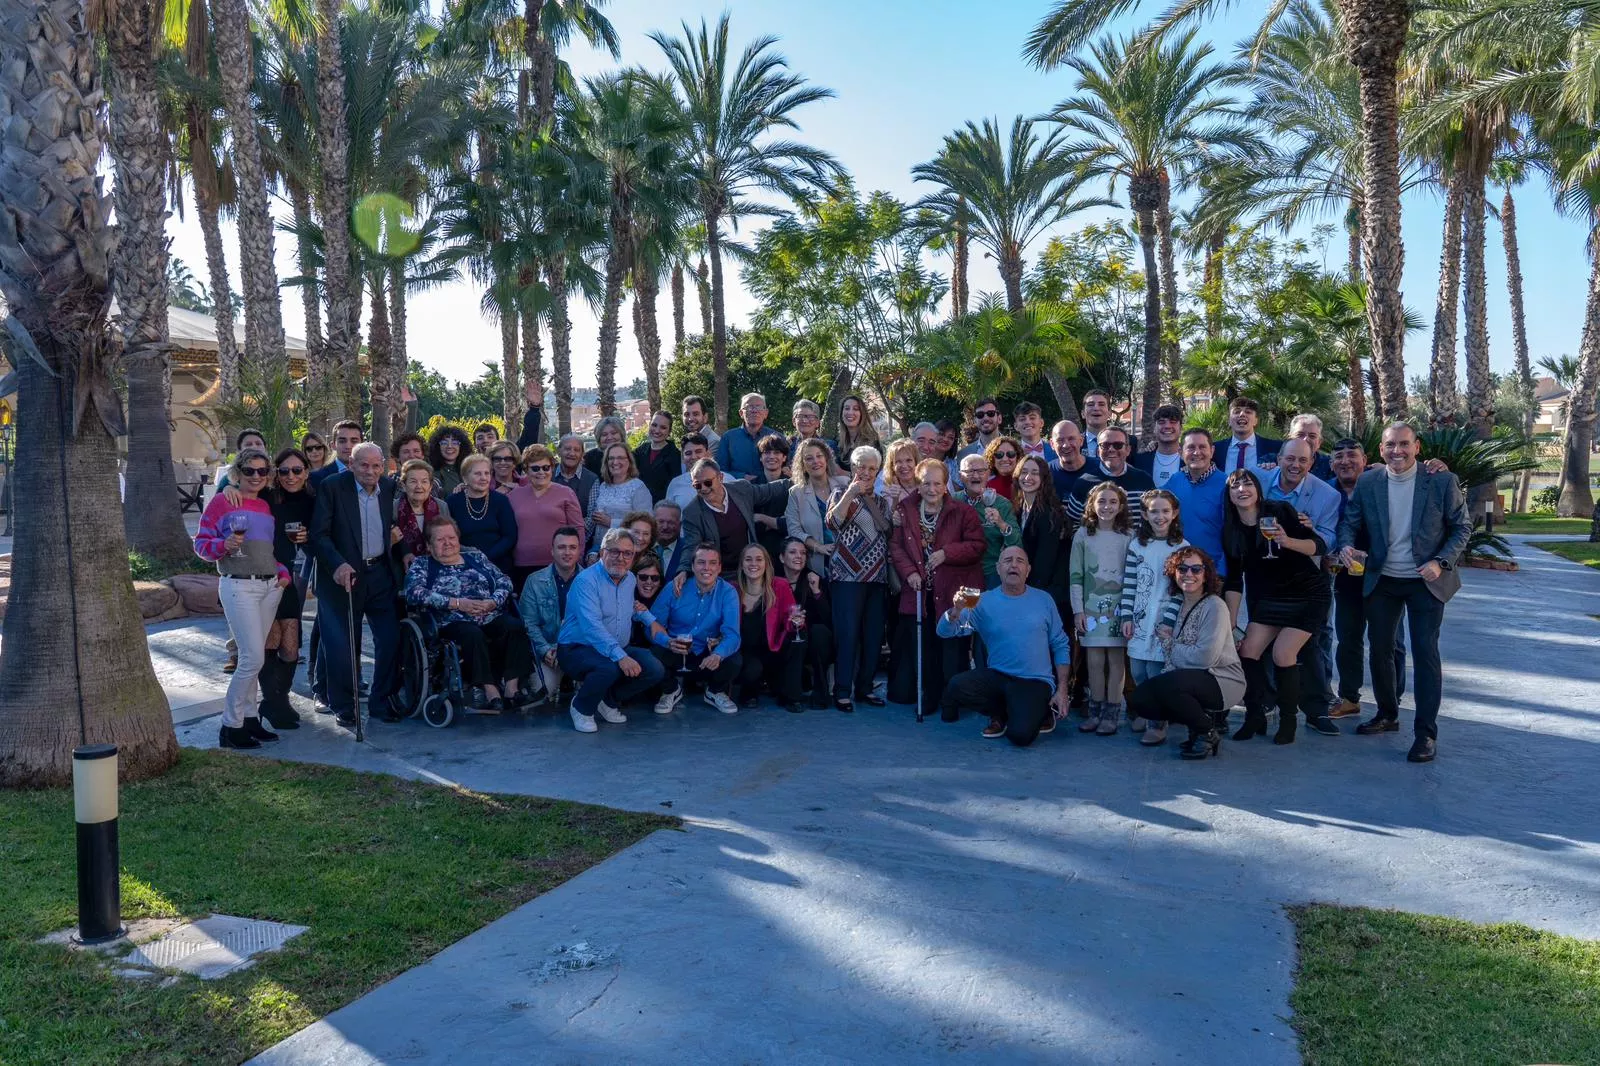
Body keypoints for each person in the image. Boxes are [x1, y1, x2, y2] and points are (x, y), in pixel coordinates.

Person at [1334, 421, 1471, 763]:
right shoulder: (1369, 481)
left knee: (1425, 654)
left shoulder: (1440, 480)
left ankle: (1425, 734)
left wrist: (1441, 561)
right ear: (1380, 450)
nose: (1397, 451)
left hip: (1426, 581)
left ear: (1417, 446)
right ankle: (1387, 715)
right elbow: (1351, 520)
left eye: (1404, 444)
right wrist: (1347, 545)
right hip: (1383, 579)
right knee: (1380, 651)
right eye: (1390, 445)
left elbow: (1462, 526)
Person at [1221, 468, 1333, 745]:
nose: (1242, 489)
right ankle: (1255, 715)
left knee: (1284, 654)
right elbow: (1235, 581)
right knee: (1248, 650)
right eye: (1235, 486)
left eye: (1247, 483)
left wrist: (1286, 541)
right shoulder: (1231, 531)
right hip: (1269, 599)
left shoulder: (1280, 511)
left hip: (1307, 593)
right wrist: (1231, 624)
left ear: (1258, 489)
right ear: (1230, 496)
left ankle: (1288, 721)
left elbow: (1318, 546)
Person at [195, 448, 292, 748]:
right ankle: (230, 725)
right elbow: (201, 544)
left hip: (268, 587)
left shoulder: (264, 506)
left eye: (263, 471)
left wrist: (281, 572)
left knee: (255, 657)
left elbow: (265, 550)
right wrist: (223, 545)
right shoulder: (223, 501)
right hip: (238, 586)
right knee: (251, 658)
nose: (257, 476)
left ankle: (250, 719)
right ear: (238, 473)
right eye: (250, 471)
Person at [309, 442, 403, 728]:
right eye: (364, 465)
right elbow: (319, 535)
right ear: (351, 464)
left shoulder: (388, 489)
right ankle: (344, 705)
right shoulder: (333, 487)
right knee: (342, 645)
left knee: (389, 639)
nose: (370, 471)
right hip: (342, 575)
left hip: (379, 573)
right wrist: (337, 564)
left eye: (376, 466)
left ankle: (380, 700)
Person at [937, 547, 1072, 745]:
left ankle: (1043, 712)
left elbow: (1061, 645)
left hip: (1034, 681)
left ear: (1028, 570)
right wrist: (955, 611)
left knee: (1021, 736)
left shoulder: (1044, 599)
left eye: (1020, 561)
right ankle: (999, 712)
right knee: (957, 685)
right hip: (998, 676)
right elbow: (944, 631)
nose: (1014, 565)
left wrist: (1062, 690)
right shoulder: (980, 600)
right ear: (998, 568)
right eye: (1008, 561)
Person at [888, 458, 986, 721]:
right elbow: (895, 546)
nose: (931, 489)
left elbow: (978, 546)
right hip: (920, 589)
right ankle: (930, 696)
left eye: (937, 484)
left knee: (956, 647)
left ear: (946, 486)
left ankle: (953, 700)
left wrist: (946, 553)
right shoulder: (906, 509)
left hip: (962, 588)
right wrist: (908, 573)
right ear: (918, 486)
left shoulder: (963, 511)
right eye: (926, 483)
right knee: (925, 647)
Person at [1126, 548, 1245, 760]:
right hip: (1192, 678)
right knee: (1141, 699)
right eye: (1182, 569)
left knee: (1169, 685)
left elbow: (1204, 658)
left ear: (1206, 574)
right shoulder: (1177, 606)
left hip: (1222, 680)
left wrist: (1170, 643)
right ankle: (1196, 726)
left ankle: (1206, 732)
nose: (1189, 574)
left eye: (1196, 569)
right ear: (1174, 573)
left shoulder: (1215, 606)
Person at [405, 517, 531, 712]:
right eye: (440, 540)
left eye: (451, 537)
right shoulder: (423, 565)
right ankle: (489, 689)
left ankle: (512, 687)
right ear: (429, 546)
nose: (447, 543)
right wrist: (456, 604)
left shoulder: (476, 557)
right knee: (472, 634)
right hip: (452, 620)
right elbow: (414, 592)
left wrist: (493, 601)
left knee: (515, 627)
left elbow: (504, 581)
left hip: (488, 613)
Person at [1262, 437, 1345, 720]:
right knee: (1258, 643)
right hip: (1263, 576)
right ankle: (1265, 700)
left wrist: (1308, 532)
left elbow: (1329, 540)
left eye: (1302, 460)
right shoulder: (1258, 481)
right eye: (1290, 459)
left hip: (1304, 578)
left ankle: (1315, 707)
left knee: (1311, 645)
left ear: (1311, 462)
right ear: (1278, 459)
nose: (1295, 465)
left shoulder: (1327, 495)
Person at [556, 528, 667, 732]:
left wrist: (650, 620)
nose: (620, 558)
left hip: (613, 646)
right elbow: (592, 626)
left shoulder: (630, 579)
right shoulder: (586, 581)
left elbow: (627, 608)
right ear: (602, 553)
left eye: (627, 553)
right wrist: (620, 656)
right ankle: (581, 707)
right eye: (614, 551)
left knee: (654, 668)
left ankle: (608, 701)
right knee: (609, 667)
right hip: (576, 648)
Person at [1327, 436, 1405, 718]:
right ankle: (1349, 697)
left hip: (1386, 575)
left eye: (1352, 455)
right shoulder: (1326, 491)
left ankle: (1391, 701)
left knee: (1391, 641)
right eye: (1339, 457)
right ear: (1331, 463)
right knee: (1348, 638)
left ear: (1365, 459)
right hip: (1347, 577)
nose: (1345, 461)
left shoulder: (1384, 484)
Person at [825, 445, 891, 712]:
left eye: (871, 468)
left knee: (873, 635)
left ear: (877, 471)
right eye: (860, 466)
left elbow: (888, 531)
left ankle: (865, 687)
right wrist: (850, 493)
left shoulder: (883, 501)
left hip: (877, 576)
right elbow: (833, 523)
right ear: (852, 468)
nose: (865, 472)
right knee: (848, 634)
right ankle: (842, 690)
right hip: (846, 576)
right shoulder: (840, 493)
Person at [1118, 489, 1186, 744]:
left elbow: (1181, 590)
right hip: (1139, 618)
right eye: (1154, 511)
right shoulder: (1137, 545)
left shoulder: (1182, 547)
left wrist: (1168, 622)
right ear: (1145, 514)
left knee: (1156, 671)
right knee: (1138, 671)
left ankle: (1158, 722)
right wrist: (1126, 616)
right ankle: (1147, 712)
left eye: (1165, 511)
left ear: (1174, 513)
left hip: (1163, 620)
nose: (1160, 516)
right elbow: (1130, 583)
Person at [647, 543, 743, 716]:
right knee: (653, 655)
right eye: (701, 562)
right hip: (677, 650)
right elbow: (652, 625)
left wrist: (718, 654)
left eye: (712, 563)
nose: (707, 568)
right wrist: (668, 642)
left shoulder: (727, 592)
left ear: (719, 567)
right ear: (692, 566)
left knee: (734, 659)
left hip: (708, 654)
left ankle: (714, 691)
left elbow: (732, 634)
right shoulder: (674, 587)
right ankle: (671, 691)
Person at [258, 447, 314, 730]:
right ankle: (274, 701)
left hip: (288, 578)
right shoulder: (266, 497)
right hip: (263, 576)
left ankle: (276, 700)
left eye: (296, 470)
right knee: (270, 641)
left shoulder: (313, 500)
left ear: (306, 471)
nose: (290, 476)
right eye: (283, 471)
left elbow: (321, 533)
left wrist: (308, 538)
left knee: (291, 647)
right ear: (276, 474)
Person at [1071, 482, 1133, 735]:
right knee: (1094, 660)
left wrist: (1129, 611)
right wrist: (1078, 610)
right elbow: (1075, 575)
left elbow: (1132, 575)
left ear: (1120, 506)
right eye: (1101, 502)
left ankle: (1112, 713)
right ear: (1092, 505)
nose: (1106, 507)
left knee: (1116, 660)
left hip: (1119, 606)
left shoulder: (1128, 535)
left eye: (1112, 502)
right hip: (1091, 607)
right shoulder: (1083, 535)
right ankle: (1095, 711)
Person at [675, 458, 794, 577]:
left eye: (708, 483)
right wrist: (683, 570)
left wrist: (797, 480)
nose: (704, 489)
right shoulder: (692, 513)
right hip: (721, 576)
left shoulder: (740, 489)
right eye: (697, 485)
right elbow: (691, 546)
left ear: (720, 477)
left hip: (750, 570)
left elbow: (769, 491)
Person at [731, 543, 807, 713]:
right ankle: (749, 692)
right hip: (746, 651)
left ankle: (792, 697)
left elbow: (791, 618)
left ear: (766, 564)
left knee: (799, 638)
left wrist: (796, 622)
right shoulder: (733, 589)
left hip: (773, 648)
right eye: (748, 559)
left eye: (759, 559)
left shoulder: (779, 585)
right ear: (742, 564)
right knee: (752, 670)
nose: (753, 564)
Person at [519, 526, 583, 705]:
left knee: (594, 694)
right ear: (552, 551)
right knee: (542, 693)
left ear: (579, 550)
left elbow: (593, 624)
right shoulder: (534, 581)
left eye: (572, 547)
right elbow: (528, 623)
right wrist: (545, 650)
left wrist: (562, 649)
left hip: (580, 651)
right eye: (562, 547)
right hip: (548, 654)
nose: (567, 552)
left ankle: (573, 681)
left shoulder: (590, 581)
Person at [506, 443, 583, 594]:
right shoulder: (513, 496)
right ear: (526, 470)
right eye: (535, 468)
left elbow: (578, 529)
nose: (541, 472)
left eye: (546, 467)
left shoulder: (566, 493)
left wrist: (577, 560)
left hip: (559, 565)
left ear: (552, 468)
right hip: (523, 565)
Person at [779, 538, 835, 709]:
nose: (799, 557)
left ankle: (821, 694)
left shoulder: (813, 579)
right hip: (782, 639)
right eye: (793, 552)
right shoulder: (774, 581)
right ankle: (792, 696)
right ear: (782, 557)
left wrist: (816, 591)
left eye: (803, 553)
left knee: (819, 633)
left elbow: (828, 619)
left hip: (810, 641)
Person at [1165, 428, 1229, 575]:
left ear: (1212, 451)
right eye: (1191, 447)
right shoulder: (1175, 481)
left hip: (1213, 572)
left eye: (1202, 447)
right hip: (1179, 571)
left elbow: (1232, 533)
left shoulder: (1227, 485)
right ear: (1180, 452)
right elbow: (1151, 500)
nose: (1196, 452)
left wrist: (1221, 572)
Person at [1066, 427, 1155, 528]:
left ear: (1128, 450)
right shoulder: (1084, 482)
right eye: (1105, 445)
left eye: (1118, 445)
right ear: (1098, 451)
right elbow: (1073, 525)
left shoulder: (1144, 480)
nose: (1111, 449)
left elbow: (1153, 519)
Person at [954, 452, 1021, 588]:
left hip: (991, 573)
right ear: (961, 476)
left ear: (988, 474)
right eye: (970, 471)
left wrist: (1001, 524)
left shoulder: (1002, 504)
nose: (976, 475)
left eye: (981, 471)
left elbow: (1017, 543)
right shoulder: (953, 501)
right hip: (961, 572)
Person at [1014, 454, 1068, 616]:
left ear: (1044, 478)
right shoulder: (1018, 509)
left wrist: (1029, 597)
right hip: (1025, 590)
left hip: (1045, 595)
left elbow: (1045, 562)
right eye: (1024, 472)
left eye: (1035, 473)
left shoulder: (1050, 514)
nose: (1028, 477)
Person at [785, 439, 847, 578]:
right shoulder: (796, 493)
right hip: (816, 565)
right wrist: (818, 547)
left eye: (819, 456)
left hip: (849, 560)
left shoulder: (844, 485)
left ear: (826, 459)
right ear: (803, 465)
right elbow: (794, 530)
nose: (815, 461)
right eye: (809, 458)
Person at [447, 454, 517, 573]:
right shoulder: (452, 502)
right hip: (463, 565)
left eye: (487, 473)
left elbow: (510, 536)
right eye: (477, 474)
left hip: (498, 565)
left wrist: (486, 557)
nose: (483, 478)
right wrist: (470, 558)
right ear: (465, 478)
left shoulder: (501, 500)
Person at [585, 442, 653, 547]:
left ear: (629, 462)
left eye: (620, 458)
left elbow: (646, 522)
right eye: (611, 458)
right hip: (601, 547)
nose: (615, 462)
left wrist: (611, 522)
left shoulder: (638, 487)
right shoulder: (604, 486)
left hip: (625, 549)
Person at [716, 392, 782, 479]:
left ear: (766, 413)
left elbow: (786, 467)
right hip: (738, 489)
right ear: (741, 413)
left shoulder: (777, 438)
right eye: (749, 407)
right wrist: (741, 477)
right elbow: (720, 471)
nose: (754, 410)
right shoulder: (728, 438)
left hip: (772, 489)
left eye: (758, 407)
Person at [394, 459, 442, 567]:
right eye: (413, 481)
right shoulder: (393, 508)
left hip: (437, 566)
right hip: (401, 568)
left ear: (430, 486)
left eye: (424, 481)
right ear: (403, 485)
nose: (419, 486)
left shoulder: (442, 507)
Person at [1219, 396, 1282, 471]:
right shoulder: (1216, 450)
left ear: (1256, 421)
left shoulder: (1276, 448)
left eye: (1248, 412)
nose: (1242, 414)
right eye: (1237, 412)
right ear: (1229, 420)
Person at [633, 410, 681, 502]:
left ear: (669, 431)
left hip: (661, 507)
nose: (657, 430)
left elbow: (674, 487)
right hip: (639, 504)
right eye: (654, 425)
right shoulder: (641, 450)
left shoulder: (675, 455)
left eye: (663, 427)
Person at [1131, 405, 1184, 487]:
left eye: (1173, 422)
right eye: (1161, 422)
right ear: (1154, 428)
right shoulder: (1139, 461)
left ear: (1181, 428)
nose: (1167, 426)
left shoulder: (1189, 461)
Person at [553, 433, 599, 519]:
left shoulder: (592, 479)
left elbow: (592, 515)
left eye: (577, 450)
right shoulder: (547, 475)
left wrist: (578, 531)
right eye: (567, 449)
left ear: (582, 454)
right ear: (559, 451)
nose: (572, 453)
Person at [310, 419, 363, 488]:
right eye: (342, 441)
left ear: (362, 444)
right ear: (333, 445)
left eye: (354, 441)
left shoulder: (372, 474)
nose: (348, 446)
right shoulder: (317, 478)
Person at [880, 438, 921, 525]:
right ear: (892, 466)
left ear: (916, 462)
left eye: (908, 460)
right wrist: (895, 500)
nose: (904, 466)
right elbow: (890, 519)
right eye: (898, 462)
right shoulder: (887, 489)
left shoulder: (926, 484)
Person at [213, 427, 267, 494]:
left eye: (258, 444)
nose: (254, 447)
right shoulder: (228, 480)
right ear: (239, 451)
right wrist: (227, 488)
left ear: (265, 448)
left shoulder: (277, 476)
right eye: (249, 444)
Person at [1049, 420, 1092, 502]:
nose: (1066, 445)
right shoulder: (1046, 472)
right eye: (1060, 440)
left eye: (1071, 439)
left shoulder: (1099, 469)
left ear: (1081, 440)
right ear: (1052, 444)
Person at [834, 395, 880, 469]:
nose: (850, 412)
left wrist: (842, 473)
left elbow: (875, 473)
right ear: (841, 414)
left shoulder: (872, 440)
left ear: (862, 414)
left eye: (855, 409)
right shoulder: (836, 441)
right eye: (846, 408)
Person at [1287, 413, 1335, 482]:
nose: (1306, 439)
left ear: (1319, 442)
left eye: (1312, 436)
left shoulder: (1330, 467)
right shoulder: (1273, 461)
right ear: (1289, 439)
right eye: (1300, 434)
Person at [667, 434, 710, 508]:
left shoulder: (727, 480)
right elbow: (668, 514)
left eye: (698, 451)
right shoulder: (675, 484)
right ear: (683, 457)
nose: (693, 457)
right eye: (688, 453)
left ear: (708, 453)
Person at [428, 424, 471, 495]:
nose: (450, 446)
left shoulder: (469, 470)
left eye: (455, 442)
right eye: (444, 442)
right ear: (437, 446)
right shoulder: (430, 471)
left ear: (462, 446)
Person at [653, 500, 689, 575]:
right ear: (652, 522)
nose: (665, 527)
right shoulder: (644, 547)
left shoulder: (689, 550)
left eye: (671, 522)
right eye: (661, 521)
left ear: (680, 525)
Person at [984, 436, 1023, 500]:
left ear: (1017, 457)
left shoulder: (1026, 483)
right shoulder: (987, 488)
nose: (1005, 459)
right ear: (992, 459)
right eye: (999, 455)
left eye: (1010, 454)